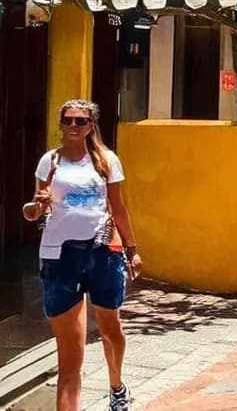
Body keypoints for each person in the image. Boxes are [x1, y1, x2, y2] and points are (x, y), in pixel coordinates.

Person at [21, 99, 142, 411]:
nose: (73, 126)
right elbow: (33, 211)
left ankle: (116, 385)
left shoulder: (106, 160)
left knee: (110, 330)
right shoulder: (50, 162)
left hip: (103, 253)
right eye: (68, 120)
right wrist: (38, 206)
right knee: (70, 358)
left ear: (91, 126)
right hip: (60, 257)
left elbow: (118, 208)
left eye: (81, 121)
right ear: (60, 124)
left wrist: (132, 249)